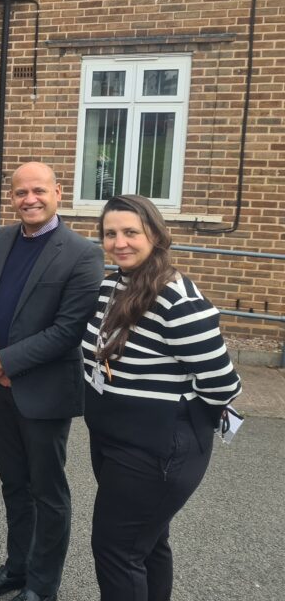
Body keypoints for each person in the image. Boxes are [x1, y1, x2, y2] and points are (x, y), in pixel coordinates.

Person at [83, 194, 241, 601]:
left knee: (117, 551)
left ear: (154, 234)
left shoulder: (177, 300)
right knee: (146, 545)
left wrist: (172, 408)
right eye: (111, 233)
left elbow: (223, 386)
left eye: (131, 232)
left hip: (157, 450)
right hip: (114, 441)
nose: (120, 242)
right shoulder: (111, 283)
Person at [0, 162, 105, 601]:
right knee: (14, 484)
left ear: (58, 192)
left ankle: (42, 586)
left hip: (44, 392)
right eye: (21, 192)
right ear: (11, 197)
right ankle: (17, 567)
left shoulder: (83, 253)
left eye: (39, 191)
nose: (29, 199)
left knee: (48, 492)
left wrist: (3, 362)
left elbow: (69, 330)